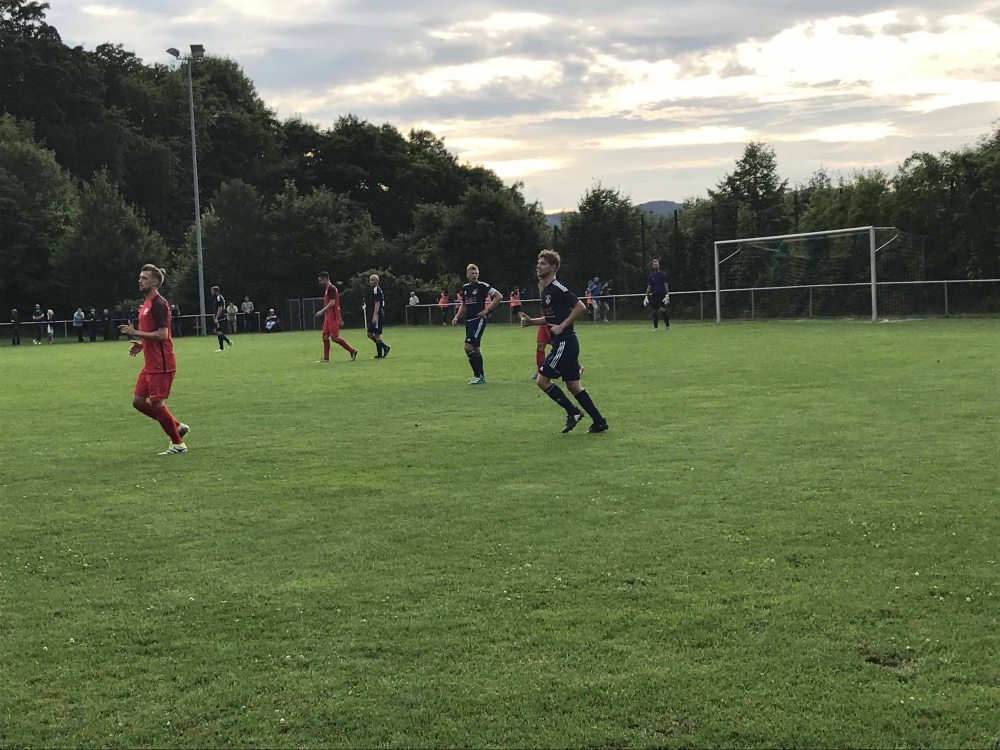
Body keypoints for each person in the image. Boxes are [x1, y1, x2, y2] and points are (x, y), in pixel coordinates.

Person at [520, 250, 608, 433]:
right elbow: (552, 317)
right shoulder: (546, 291)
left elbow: (580, 306)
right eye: (538, 263)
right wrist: (532, 322)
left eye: (543, 263)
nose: (538, 266)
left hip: (565, 342)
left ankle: (573, 412)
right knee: (573, 385)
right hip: (566, 342)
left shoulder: (557, 288)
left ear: (553, 268)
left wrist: (562, 326)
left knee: (542, 380)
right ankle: (599, 422)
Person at [119, 264, 189, 455]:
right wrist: (142, 344)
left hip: (161, 363)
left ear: (155, 281)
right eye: (140, 277)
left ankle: (178, 443)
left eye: (145, 278)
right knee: (138, 401)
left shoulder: (158, 304)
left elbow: (162, 335)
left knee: (157, 404)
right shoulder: (146, 305)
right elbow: (152, 333)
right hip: (150, 363)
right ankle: (176, 426)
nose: (140, 280)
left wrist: (135, 332)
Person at [452, 263, 503, 385]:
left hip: (478, 320)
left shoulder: (482, 286)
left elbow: (499, 296)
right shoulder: (465, 288)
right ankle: (481, 377)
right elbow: (464, 305)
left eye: (476, 273)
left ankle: (477, 375)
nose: (474, 275)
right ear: (467, 275)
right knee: (475, 348)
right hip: (469, 321)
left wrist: (487, 310)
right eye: (472, 273)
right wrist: (457, 317)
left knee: (467, 346)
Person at [315, 271, 358, 362]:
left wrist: (321, 311)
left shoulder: (331, 288)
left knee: (334, 338)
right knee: (325, 336)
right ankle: (326, 358)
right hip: (329, 316)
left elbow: (333, 303)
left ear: (325, 279)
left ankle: (352, 351)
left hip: (333, 316)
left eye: (320, 280)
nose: (319, 282)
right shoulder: (327, 289)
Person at [365, 274, 390, 358]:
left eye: (373, 280)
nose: (371, 282)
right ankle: (383, 349)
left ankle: (382, 351)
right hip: (376, 313)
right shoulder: (375, 290)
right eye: (370, 280)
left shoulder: (376, 290)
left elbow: (377, 303)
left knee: (376, 333)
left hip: (378, 313)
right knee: (372, 334)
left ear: (377, 281)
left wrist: (375, 316)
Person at [645, 259, 670, 331]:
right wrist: (646, 296)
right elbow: (649, 286)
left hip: (661, 294)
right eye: (654, 265)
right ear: (652, 266)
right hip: (654, 295)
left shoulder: (663, 275)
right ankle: (655, 327)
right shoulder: (651, 276)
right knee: (655, 311)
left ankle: (667, 326)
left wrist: (667, 295)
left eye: (657, 264)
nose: (656, 266)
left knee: (662, 309)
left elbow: (666, 285)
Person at [210, 285, 233, 351]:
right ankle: (228, 342)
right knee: (217, 331)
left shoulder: (218, 297)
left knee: (218, 331)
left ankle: (222, 347)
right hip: (220, 316)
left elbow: (220, 308)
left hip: (221, 317)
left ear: (216, 291)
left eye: (212, 291)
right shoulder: (218, 297)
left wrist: (216, 317)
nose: (211, 292)